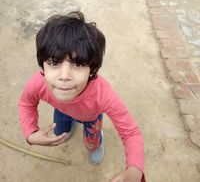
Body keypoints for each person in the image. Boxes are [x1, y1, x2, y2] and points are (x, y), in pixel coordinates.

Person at [19, 11, 145, 182]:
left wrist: (135, 170)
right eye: (54, 63)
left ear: (92, 69)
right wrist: (30, 132)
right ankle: (69, 128)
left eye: (78, 64)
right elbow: (27, 102)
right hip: (61, 110)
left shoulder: (103, 94)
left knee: (91, 142)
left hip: (90, 117)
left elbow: (131, 132)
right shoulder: (37, 83)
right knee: (60, 132)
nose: (64, 75)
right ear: (42, 66)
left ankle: (96, 142)